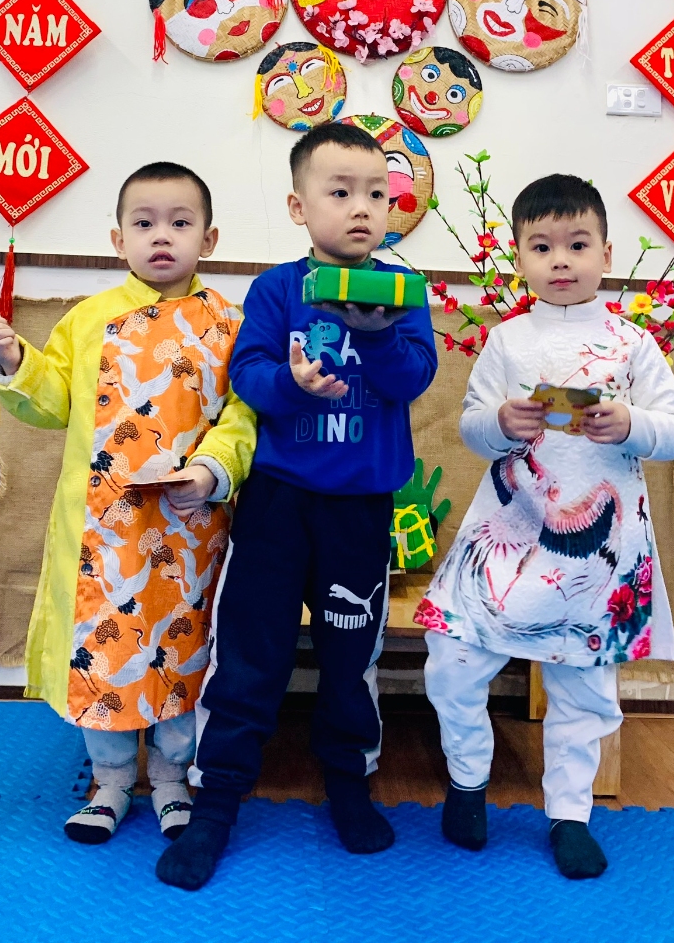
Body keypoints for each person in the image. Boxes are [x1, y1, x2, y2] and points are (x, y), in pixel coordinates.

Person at [157, 121, 439, 892]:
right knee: (250, 655)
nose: (361, 207)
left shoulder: (403, 291)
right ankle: (216, 800)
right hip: (278, 503)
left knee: (351, 657)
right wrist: (294, 384)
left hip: (360, 507)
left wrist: (375, 338)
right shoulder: (278, 289)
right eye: (339, 192)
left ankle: (348, 782)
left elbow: (413, 377)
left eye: (376, 193)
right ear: (298, 205)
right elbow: (247, 375)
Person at [415, 174, 674, 878]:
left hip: (598, 552)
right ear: (518, 257)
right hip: (509, 531)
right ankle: (467, 782)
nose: (560, 260)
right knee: (451, 659)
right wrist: (500, 422)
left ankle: (570, 813)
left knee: (583, 688)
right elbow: (474, 427)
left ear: (606, 252)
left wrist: (631, 423)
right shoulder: (508, 340)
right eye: (541, 247)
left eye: (576, 244)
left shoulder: (631, 342)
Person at [0, 162, 255, 845]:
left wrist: (213, 472)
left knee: (180, 649)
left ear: (209, 239)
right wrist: (16, 364)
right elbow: (52, 404)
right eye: (144, 223)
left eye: (180, 223)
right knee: (102, 653)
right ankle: (107, 781)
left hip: (189, 527)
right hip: (101, 534)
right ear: (118, 238)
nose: (161, 236)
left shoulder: (230, 324)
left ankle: (170, 779)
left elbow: (243, 416)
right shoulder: (88, 320)